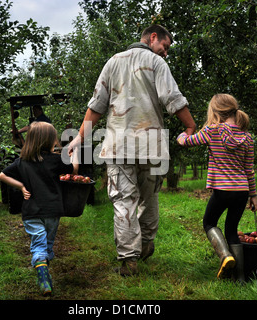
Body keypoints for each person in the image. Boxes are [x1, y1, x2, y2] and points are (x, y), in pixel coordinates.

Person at [68, 25, 197, 276]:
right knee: (149, 198)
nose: (166, 53)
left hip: (118, 146)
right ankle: (146, 243)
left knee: (123, 201)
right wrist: (191, 126)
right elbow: (173, 99)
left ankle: (129, 260)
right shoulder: (157, 63)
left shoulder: (113, 62)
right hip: (152, 146)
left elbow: (97, 106)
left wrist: (80, 139)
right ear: (152, 38)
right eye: (165, 46)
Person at [176, 93, 257, 282]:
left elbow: (187, 142)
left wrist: (183, 134)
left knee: (209, 223)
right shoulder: (247, 137)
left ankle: (225, 256)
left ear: (216, 111)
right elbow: (249, 169)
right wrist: (253, 194)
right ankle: (239, 278)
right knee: (231, 229)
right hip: (242, 192)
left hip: (222, 190)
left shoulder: (212, 131)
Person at [0, 121, 79, 295]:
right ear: (49, 141)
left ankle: (43, 273)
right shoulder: (56, 160)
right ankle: (44, 274)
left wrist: (20, 186)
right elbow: (73, 171)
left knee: (39, 244)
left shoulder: (22, 162)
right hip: (52, 211)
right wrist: (75, 155)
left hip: (31, 212)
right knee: (46, 245)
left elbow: (2, 175)